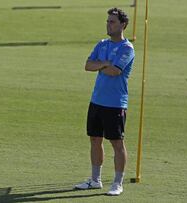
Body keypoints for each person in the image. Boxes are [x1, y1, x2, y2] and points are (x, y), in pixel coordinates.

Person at [74, 8, 135, 196]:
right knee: (94, 139)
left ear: (122, 25)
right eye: (107, 21)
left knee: (117, 143)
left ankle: (117, 183)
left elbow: (115, 71)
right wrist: (104, 63)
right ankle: (95, 180)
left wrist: (102, 64)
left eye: (112, 22)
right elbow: (87, 65)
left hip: (115, 103)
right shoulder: (102, 44)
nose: (108, 24)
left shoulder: (127, 48)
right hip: (97, 100)